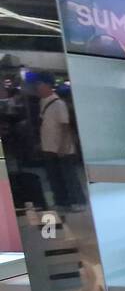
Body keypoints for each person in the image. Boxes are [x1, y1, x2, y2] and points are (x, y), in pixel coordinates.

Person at [32, 72, 83, 209]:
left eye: (39, 85)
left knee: (69, 177)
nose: (37, 88)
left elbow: (65, 126)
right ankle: (62, 201)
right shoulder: (43, 102)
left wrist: (64, 146)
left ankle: (77, 202)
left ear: (48, 86)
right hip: (48, 147)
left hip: (61, 147)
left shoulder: (58, 103)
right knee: (54, 177)